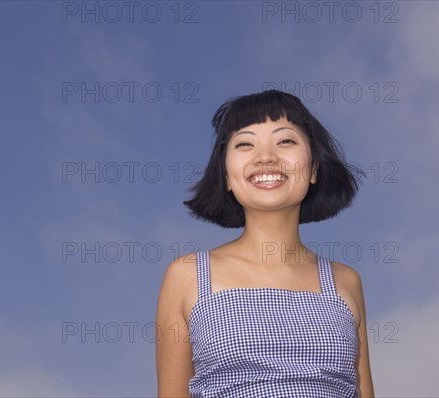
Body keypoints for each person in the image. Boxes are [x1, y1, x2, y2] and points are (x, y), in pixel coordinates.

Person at [155, 90, 374, 397]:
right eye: (245, 143)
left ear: (313, 169)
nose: (266, 157)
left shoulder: (345, 282)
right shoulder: (186, 275)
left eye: (285, 141)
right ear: (227, 177)